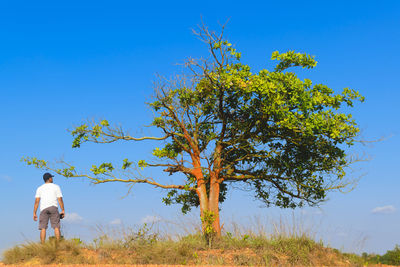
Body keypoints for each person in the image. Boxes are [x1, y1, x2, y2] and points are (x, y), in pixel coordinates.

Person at [33, 172, 65, 243]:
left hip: (43, 209)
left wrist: (34, 213)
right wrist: (63, 210)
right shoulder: (56, 187)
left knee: (43, 228)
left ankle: (42, 245)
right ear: (49, 178)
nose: (52, 179)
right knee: (56, 227)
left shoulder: (39, 188)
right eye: (51, 177)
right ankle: (58, 244)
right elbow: (60, 199)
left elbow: (37, 202)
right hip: (53, 208)